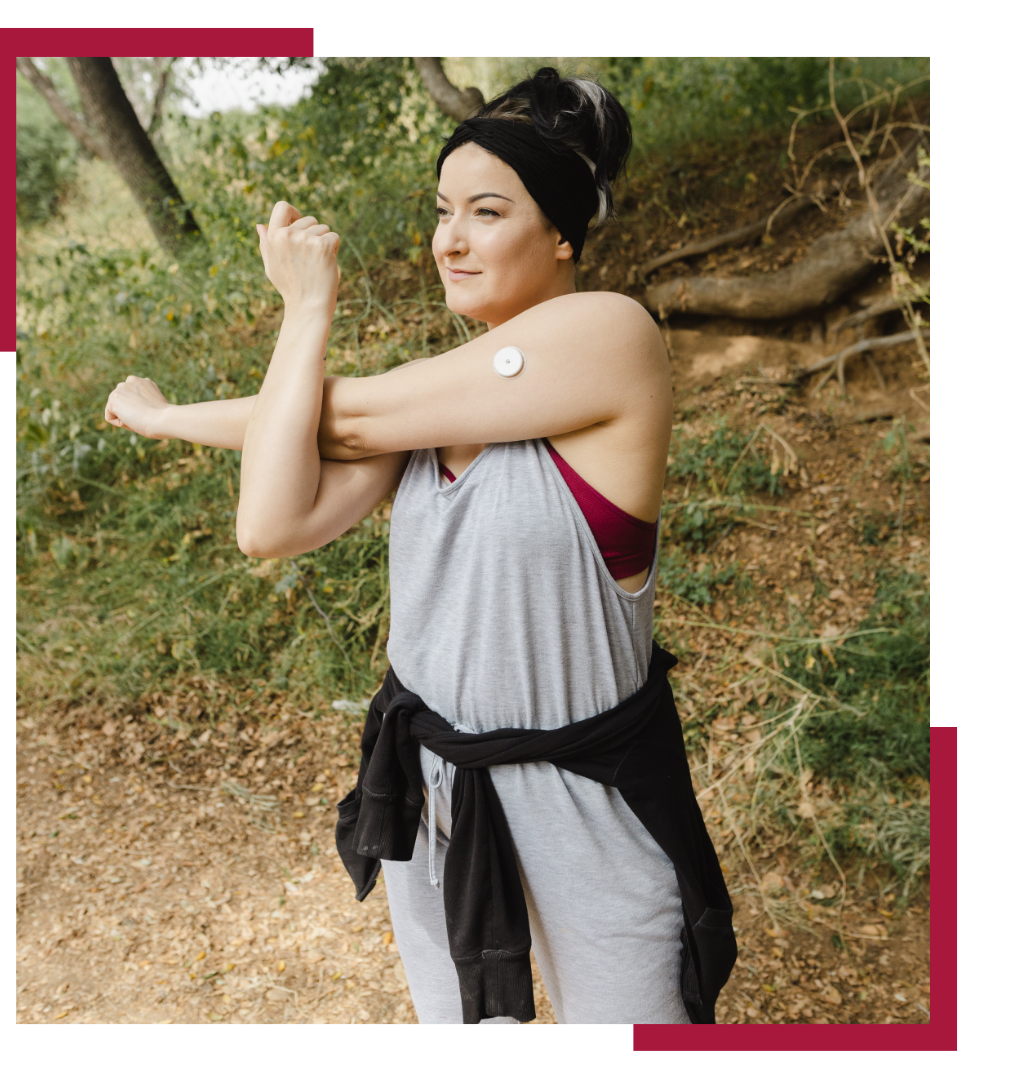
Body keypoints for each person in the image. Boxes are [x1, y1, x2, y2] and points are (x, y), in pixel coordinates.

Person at [105, 67, 734, 1026]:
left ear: (562, 232)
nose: (450, 239)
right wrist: (304, 312)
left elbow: (341, 414)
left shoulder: (614, 335)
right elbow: (268, 526)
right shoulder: (425, 407)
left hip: (588, 802)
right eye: (444, 210)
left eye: (488, 211)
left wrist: (164, 415)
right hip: (440, 788)